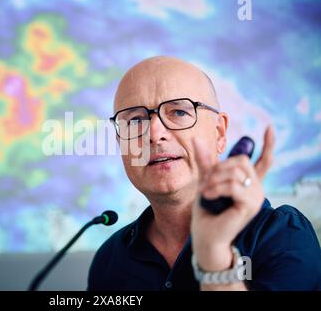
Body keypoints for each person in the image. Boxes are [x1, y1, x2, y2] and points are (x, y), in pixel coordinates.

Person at [87, 56, 321, 291]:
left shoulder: (284, 236)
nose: (154, 134)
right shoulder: (109, 260)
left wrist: (216, 258)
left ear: (219, 132)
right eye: (135, 120)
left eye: (178, 112)